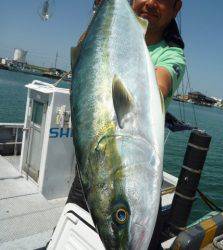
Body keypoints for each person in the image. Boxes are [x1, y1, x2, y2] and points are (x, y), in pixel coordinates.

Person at [67, 0, 186, 248]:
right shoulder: (110, 17)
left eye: (163, 0)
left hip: (100, 178)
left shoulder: (171, 54)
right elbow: (85, 52)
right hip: (91, 181)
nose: (152, 2)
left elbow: (160, 85)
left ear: (177, 8)